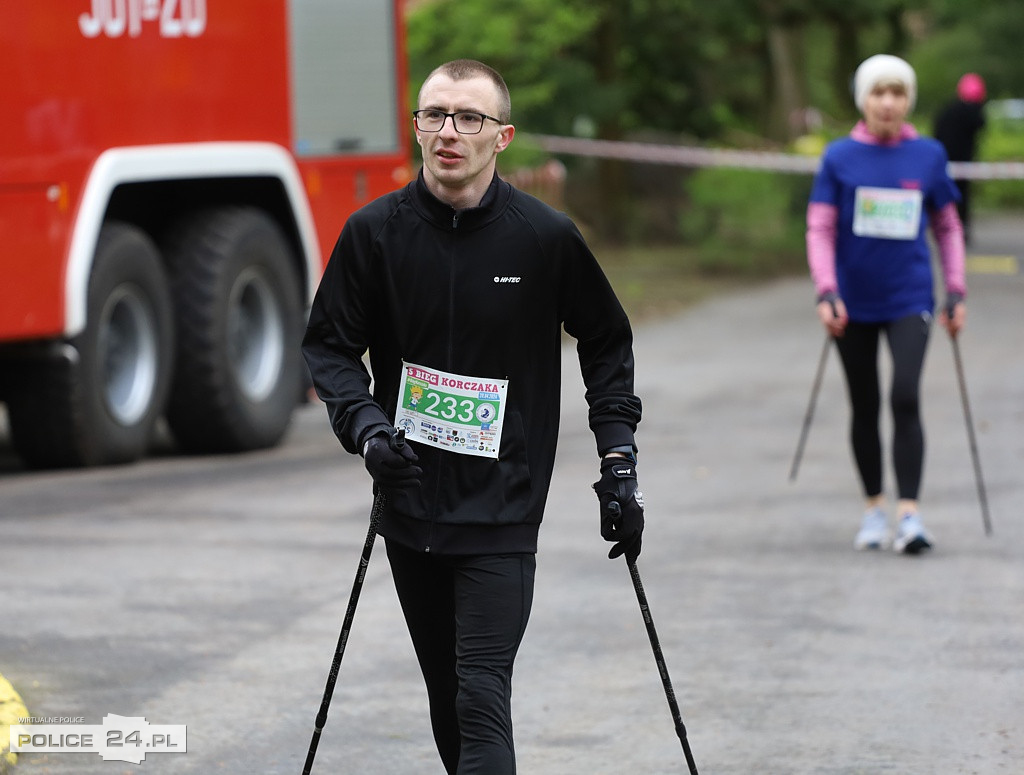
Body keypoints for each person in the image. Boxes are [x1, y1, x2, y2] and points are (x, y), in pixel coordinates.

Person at [302, 59, 643, 774]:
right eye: (434, 115)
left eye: (468, 118)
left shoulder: (543, 238)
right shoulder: (375, 235)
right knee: (448, 696)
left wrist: (618, 461)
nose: (448, 131)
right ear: (417, 127)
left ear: (502, 136)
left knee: (481, 692)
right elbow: (330, 347)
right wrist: (367, 432)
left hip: (503, 508)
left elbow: (606, 337)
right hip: (410, 504)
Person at [805, 54, 967, 555]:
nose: (889, 102)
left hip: (909, 298)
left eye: (898, 93)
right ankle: (875, 508)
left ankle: (910, 515)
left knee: (904, 395)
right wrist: (826, 289)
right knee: (865, 404)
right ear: (864, 100)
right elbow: (821, 228)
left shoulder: (929, 155)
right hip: (851, 303)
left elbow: (948, 226)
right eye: (879, 92)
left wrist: (956, 288)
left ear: (907, 101)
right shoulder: (838, 158)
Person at [933, 72, 987, 243]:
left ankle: (943, 230)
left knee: (944, 198)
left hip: (943, 160)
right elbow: (981, 125)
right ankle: (960, 231)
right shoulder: (973, 113)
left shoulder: (946, 110)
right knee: (962, 198)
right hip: (963, 162)